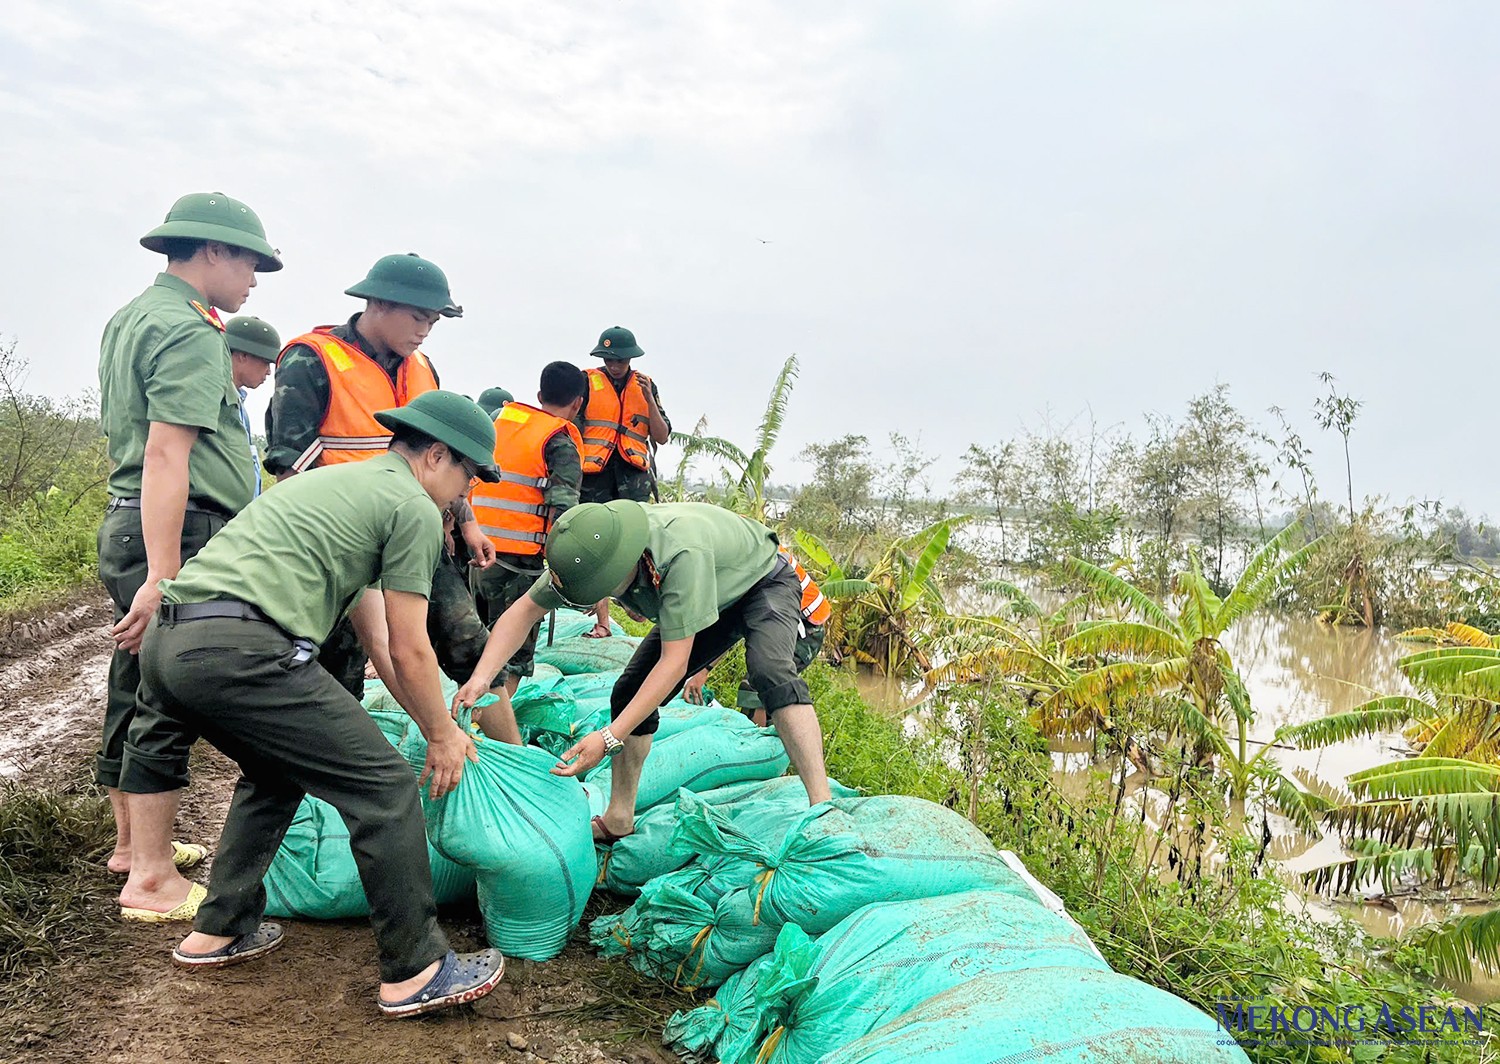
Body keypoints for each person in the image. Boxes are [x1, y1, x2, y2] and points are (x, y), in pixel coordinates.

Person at [120, 390, 507, 1016]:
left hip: (172, 642)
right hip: (241, 647)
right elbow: (414, 650)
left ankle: (219, 927)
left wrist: (435, 721)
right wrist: (441, 734)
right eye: (469, 478)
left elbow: (381, 642)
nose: (466, 495)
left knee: (275, 774)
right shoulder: (410, 506)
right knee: (382, 785)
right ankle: (415, 969)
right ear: (437, 456)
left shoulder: (339, 489)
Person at [98, 191, 281, 918]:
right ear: (212, 251)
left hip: (130, 522)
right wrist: (166, 576)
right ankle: (149, 879)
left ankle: (131, 845)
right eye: (250, 262)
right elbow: (168, 454)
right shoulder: (189, 331)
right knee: (168, 693)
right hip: (179, 530)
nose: (254, 281)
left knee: (136, 681)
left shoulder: (132, 317)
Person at [454, 500, 834, 843]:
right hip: (709, 586)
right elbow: (522, 612)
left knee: (770, 671)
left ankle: (822, 808)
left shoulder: (678, 556)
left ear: (621, 571)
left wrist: (608, 737)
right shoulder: (590, 548)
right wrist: (481, 678)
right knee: (628, 691)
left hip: (760, 578)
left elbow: (675, 664)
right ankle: (619, 816)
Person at [264, 253, 497, 699]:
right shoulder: (312, 359)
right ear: (378, 304)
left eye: (433, 321)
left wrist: (465, 521)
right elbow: (291, 469)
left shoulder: (423, 369)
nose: (424, 330)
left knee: (466, 641)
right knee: (338, 668)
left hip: (416, 533)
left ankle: (505, 757)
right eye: (418, 317)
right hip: (342, 542)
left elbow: (447, 457)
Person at [466, 362, 587, 742]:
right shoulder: (559, 439)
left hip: (475, 553)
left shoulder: (500, 420)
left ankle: (469, 716)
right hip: (518, 564)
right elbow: (563, 510)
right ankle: (482, 733)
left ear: (539, 396)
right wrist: (564, 564)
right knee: (510, 655)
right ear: (579, 403)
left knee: (476, 644)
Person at [576, 326, 671, 638]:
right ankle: (602, 620)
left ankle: (635, 601)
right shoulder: (587, 382)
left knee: (635, 545)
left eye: (620, 360)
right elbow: (570, 424)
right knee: (597, 542)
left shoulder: (647, 386)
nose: (614, 365)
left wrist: (649, 401)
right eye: (609, 359)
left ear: (631, 359)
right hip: (594, 477)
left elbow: (662, 436)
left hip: (633, 478)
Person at [224, 315, 280, 497]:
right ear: (242, 356)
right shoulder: (217, 402)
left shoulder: (238, 405)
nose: (269, 371)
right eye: (265, 361)